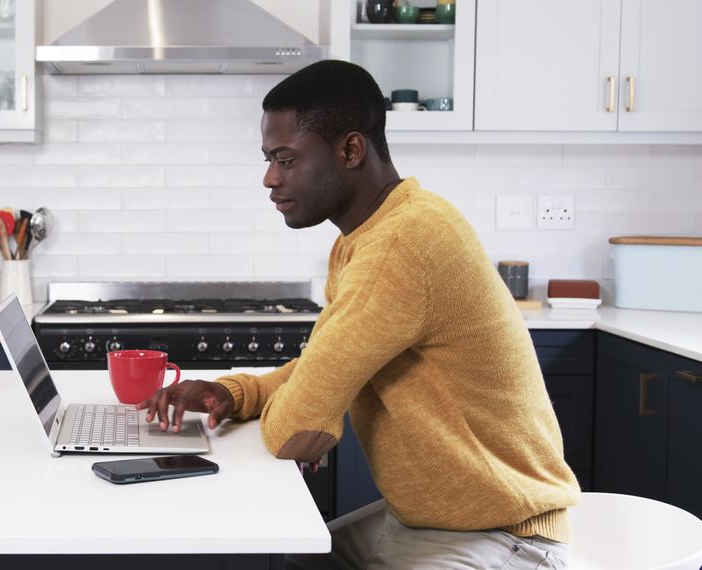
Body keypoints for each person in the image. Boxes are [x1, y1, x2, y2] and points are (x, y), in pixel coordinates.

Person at [137, 60, 581, 569]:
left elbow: (294, 429)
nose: (269, 178)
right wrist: (234, 394)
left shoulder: (402, 243)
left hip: (504, 540)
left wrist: (307, 415)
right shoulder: (367, 237)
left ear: (350, 150)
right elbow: (320, 369)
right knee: (291, 560)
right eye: (268, 159)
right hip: (426, 524)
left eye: (285, 159)